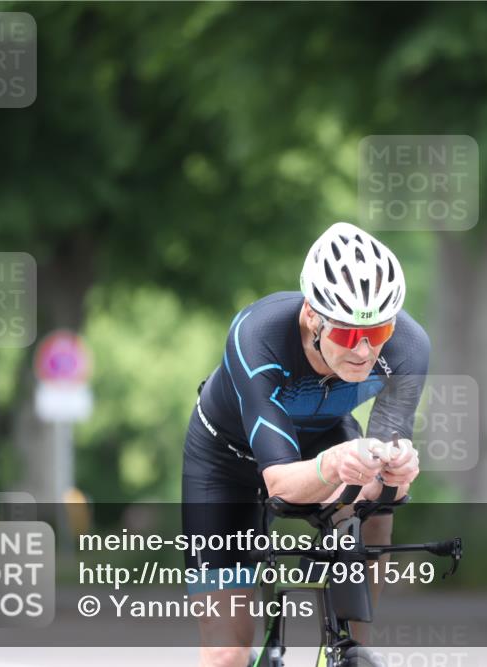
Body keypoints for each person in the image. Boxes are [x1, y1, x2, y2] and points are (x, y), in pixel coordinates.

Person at [182, 222, 430, 667]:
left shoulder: (409, 347)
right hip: (225, 460)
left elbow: (386, 479)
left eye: (379, 333)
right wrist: (332, 468)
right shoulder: (258, 336)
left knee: (376, 512)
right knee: (225, 652)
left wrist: (397, 473)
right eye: (350, 334)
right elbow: (279, 483)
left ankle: (347, 649)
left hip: (324, 437)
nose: (365, 351)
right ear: (313, 315)